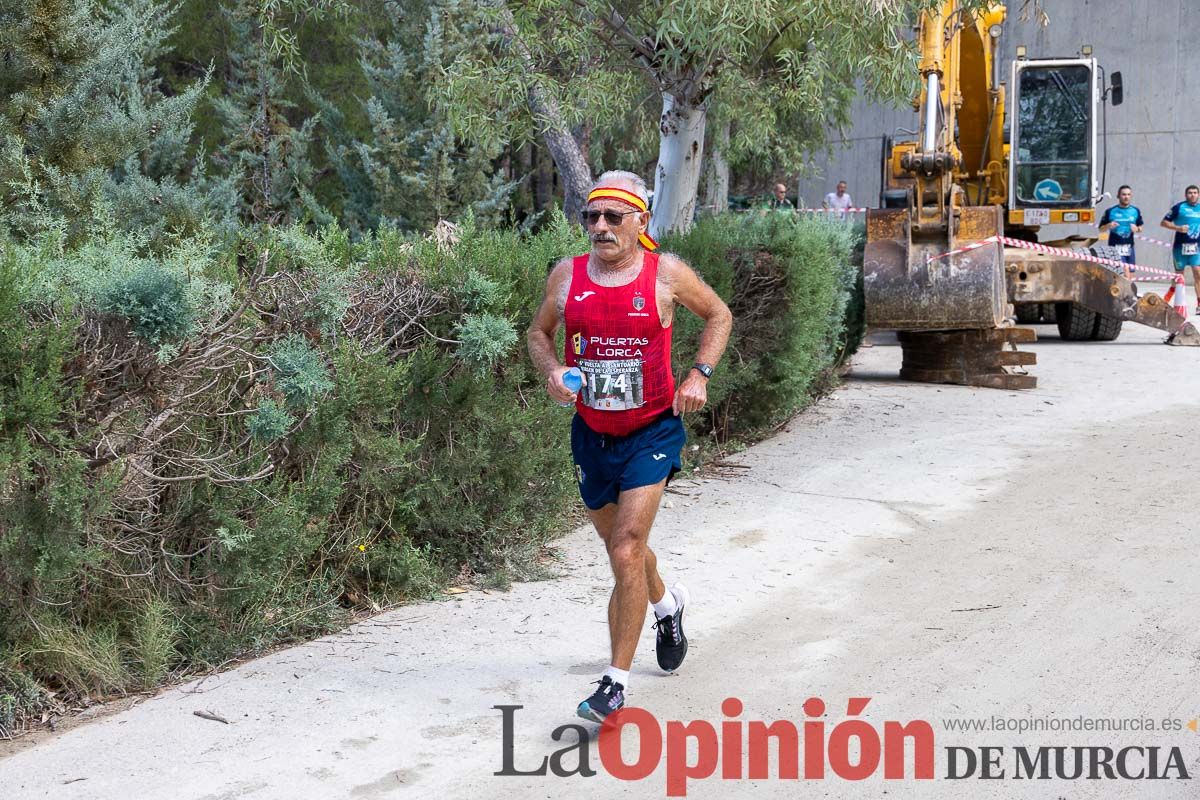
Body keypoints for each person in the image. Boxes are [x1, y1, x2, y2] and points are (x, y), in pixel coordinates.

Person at [527, 170, 733, 722]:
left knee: (625, 549)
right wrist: (552, 371)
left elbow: (718, 314)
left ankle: (613, 685)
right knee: (627, 554)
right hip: (592, 435)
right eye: (591, 217)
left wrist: (700, 374)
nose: (600, 226)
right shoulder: (567, 277)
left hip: (652, 431)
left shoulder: (664, 273)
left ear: (640, 219)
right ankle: (668, 606)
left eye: (613, 216)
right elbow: (538, 333)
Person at [1161, 185, 1200, 315]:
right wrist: (1178, 228)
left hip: (1196, 248)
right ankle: (1169, 300)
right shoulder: (1179, 208)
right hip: (1180, 248)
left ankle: (1199, 304)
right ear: (1186, 195)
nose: (1193, 195)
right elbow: (1164, 223)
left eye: (1195, 193)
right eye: (1190, 193)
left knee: (1198, 273)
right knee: (1179, 277)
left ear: (1198, 195)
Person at [1098, 185, 1143, 278]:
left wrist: (1137, 229)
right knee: (1124, 272)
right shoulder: (1110, 211)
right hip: (1115, 247)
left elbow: (1140, 227)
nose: (1126, 197)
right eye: (1123, 194)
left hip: (1129, 246)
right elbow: (1101, 229)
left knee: (1131, 274)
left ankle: (1127, 292)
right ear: (1118, 196)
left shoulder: (1135, 211)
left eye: (1128, 194)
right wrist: (1108, 225)